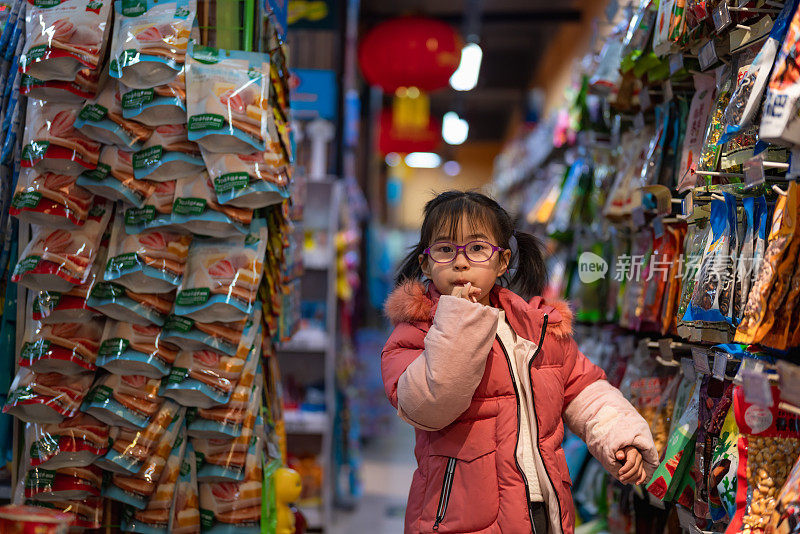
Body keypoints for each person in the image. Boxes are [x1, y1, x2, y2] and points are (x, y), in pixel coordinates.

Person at [381, 191, 659, 534]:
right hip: (458, 515)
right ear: (425, 263)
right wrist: (457, 319)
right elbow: (429, 405)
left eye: (477, 248)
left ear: (502, 261)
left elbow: (585, 390)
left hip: (540, 511)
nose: (461, 262)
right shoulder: (415, 333)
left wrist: (622, 437)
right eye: (445, 249)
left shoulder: (536, 328)